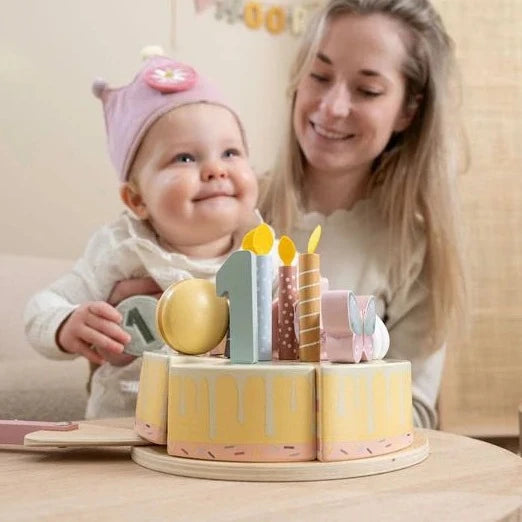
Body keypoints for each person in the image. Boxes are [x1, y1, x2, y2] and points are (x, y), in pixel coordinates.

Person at [259, 0, 467, 429]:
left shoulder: (416, 252)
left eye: (367, 90)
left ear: (408, 111)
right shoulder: (228, 207)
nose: (333, 106)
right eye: (319, 76)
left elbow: (413, 413)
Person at [24, 52, 260, 419]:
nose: (215, 169)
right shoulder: (121, 251)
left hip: (231, 429)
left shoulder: (266, 255)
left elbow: (306, 319)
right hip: (124, 432)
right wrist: (67, 324)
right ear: (136, 199)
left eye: (231, 152)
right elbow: (41, 307)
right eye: (184, 158)